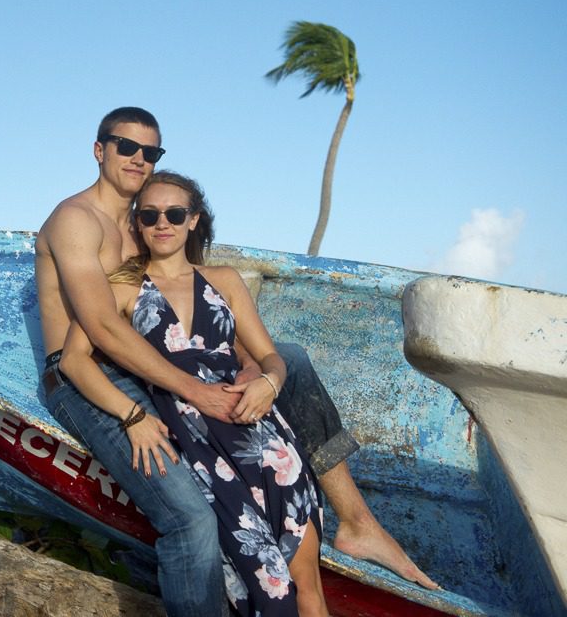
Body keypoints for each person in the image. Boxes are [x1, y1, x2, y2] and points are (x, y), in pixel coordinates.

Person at [34, 107, 436, 615]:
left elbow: (191, 305)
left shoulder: (142, 226)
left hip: (141, 365)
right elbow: (101, 329)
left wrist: (257, 373)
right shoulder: (77, 220)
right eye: (125, 147)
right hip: (85, 376)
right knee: (190, 517)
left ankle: (356, 521)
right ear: (100, 150)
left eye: (150, 152)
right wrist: (161, 403)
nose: (138, 159)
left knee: (288, 360)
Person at [63, 170, 325, 614]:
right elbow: (73, 361)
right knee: (270, 588)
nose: (162, 223)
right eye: (150, 215)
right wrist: (131, 416)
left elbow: (269, 356)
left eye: (174, 213)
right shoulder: (122, 286)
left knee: (309, 589)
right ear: (139, 224)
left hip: (265, 444)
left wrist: (269, 382)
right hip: (200, 452)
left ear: (193, 220)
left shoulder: (224, 280)